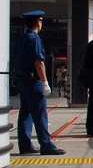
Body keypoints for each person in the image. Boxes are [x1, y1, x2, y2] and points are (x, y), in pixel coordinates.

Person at [14, 10, 65, 155]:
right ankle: (46, 145)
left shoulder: (22, 39)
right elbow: (39, 62)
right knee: (40, 113)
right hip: (33, 81)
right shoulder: (34, 39)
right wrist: (44, 82)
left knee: (25, 113)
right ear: (38, 22)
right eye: (41, 20)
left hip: (23, 80)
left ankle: (25, 145)